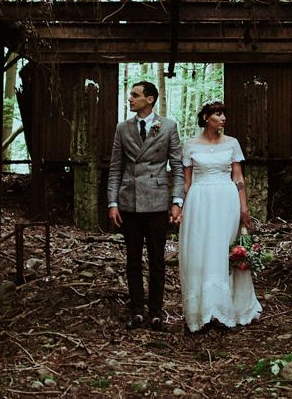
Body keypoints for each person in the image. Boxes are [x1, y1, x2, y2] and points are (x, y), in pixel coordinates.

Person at [107, 81, 184, 331]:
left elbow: (178, 167)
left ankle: (156, 311)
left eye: (135, 95)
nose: (130, 99)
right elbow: (115, 167)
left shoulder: (169, 127)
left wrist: (177, 201)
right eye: (130, 95)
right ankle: (137, 310)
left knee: (157, 259)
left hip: (157, 202)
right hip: (129, 202)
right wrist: (112, 202)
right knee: (132, 259)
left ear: (149, 99)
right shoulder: (122, 128)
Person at [179, 101, 262, 331]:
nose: (223, 118)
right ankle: (202, 310)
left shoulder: (232, 143)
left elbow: (238, 177)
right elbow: (186, 183)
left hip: (226, 200)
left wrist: (244, 208)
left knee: (224, 248)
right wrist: (180, 208)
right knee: (201, 249)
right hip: (200, 201)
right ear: (206, 118)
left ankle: (228, 308)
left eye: (224, 113)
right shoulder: (191, 145)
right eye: (218, 114)